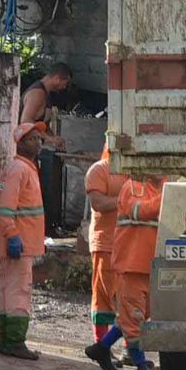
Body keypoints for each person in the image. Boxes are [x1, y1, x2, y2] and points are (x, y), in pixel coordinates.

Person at [85, 174, 165, 370]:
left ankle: (102, 348)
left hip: (152, 266)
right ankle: (141, 367)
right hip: (131, 264)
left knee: (135, 316)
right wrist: (168, 198)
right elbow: (140, 210)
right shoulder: (132, 187)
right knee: (134, 318)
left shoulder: (163, 188)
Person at [0, 123, 48, 360]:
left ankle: (9, 340)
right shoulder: (19, 170)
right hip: (18, 243)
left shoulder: (18, 168)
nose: (38, 143)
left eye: (39, 139)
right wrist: (13, 235)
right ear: (20, 143)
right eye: (33, 139)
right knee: (18, 291)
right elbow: (6, 208)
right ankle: (14, 342)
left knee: (8, 290)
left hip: (17, 242)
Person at [19, 63, 71, 235]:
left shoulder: (46, 95)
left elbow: (40, 124)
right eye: (65, 82)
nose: (65, 87)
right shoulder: (37, 93)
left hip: (32, 153)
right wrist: (49, 138)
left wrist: (52, 136)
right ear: (57, 78)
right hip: (21, 153)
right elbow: (26, 122)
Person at [83, 145, 126, 346]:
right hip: (106, 243)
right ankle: (101, 343)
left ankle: (130, 347)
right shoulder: (99, 170)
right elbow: (98, 203)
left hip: (131, 246)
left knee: (131, 298)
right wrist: (126, 201)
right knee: (104, 296)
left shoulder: (133, 172)